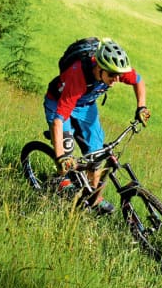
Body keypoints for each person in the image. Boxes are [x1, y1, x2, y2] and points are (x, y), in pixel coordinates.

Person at [43, 37, 150, 214]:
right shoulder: (77, 77)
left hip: (86, 105)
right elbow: (58, 119)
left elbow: (138, 80)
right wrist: (60, 155)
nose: (116, 80)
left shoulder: (115, 68)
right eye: (111, 76)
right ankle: (60, 183)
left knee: (97, 153)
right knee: (66, 153)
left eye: (118, 76)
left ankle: (93, 198)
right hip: (59, 104)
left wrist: (141, 106)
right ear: (99, 68)